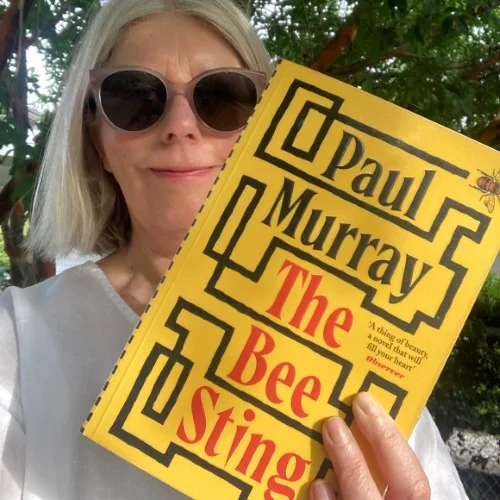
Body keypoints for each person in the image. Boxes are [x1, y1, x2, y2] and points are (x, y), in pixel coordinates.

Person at [0, 0, 468, 499]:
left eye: (223, 97)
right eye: (134, 97)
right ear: (98, 141)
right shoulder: (19, 343)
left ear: (270, 126)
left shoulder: (364, 351)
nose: (181, 125)